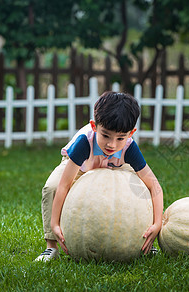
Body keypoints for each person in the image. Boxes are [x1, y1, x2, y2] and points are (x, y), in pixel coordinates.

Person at [35, 91, 163, 261]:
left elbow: (154, 186)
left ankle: (146, 242)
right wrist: (55, 223)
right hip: (82, 163)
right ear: (94, 126)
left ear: (131, 133)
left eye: (120, 138)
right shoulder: (83, 143)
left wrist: (157, 223)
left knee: (139, 189)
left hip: (117, 164)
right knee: (51, 187)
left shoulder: (129, 148)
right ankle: (51, 246)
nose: (112, 144)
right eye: (105, 135)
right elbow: (64, 185)